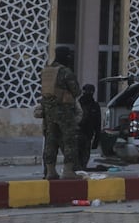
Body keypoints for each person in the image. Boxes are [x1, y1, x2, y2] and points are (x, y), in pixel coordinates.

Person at [39, 47, 81, 180]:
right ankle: (68, 171)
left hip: (48, 112)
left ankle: (50, 171)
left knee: (50, 141)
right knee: (69, 140)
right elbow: (76, 91)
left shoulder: (46, 71)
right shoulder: (65, 72)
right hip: (64, 111)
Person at [76, 83, 102, 169]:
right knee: (77, 158)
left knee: (84, 158)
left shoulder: (95, 106)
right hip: (77, 134)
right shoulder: (77, 104)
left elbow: (98, 124)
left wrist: (96, 140)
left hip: (87, 135)